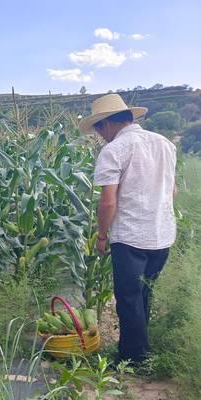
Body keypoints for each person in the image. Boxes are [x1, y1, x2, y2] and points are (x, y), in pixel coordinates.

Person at [79, 94, 177, 364]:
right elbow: (172, 190)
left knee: (128, 298)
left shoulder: (114, 150)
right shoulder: (165, 144)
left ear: (106, 124)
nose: (99, 136)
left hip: (131, 236)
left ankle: (134, 358)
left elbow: (108, 201)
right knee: (144, 292)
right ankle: (140, 348)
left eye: (98, 129)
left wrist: (101, 236)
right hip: (162, 233)